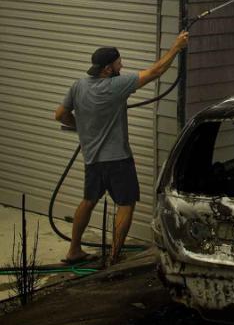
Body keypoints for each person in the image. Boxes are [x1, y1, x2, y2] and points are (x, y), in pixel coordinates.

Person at [54, 31, 189, 265]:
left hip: (92, 160)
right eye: (118, 62)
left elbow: (60, 115)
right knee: (125, 204)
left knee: (88, 200)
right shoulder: (116, 85)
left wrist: (82, 127)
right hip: (118, 160)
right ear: (107, 69)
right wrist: (176, 47)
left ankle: (74, 250)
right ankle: (115, 257)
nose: (122, 65)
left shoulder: (78, 86)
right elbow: (156, 71)